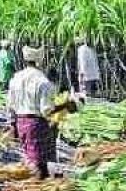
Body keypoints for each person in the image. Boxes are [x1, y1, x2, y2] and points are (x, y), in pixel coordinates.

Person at [7, 46, 76, 179]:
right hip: (36, 124)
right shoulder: (43, 81)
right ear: (40, 61)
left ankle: (39, 181)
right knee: (39, 161)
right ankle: (38, 184)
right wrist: (65, 105)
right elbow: (46, 110)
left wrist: (12, 123)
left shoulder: (16, 78)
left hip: (21, 122)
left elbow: (10, 104)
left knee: (30, 156)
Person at [75, 36, 101, 102]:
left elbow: (82, 61)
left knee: (84, 89)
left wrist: (82, 72)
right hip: (92, 74)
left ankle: (85, 102)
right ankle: (89, 101)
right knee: (88, 89)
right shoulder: (91, 49)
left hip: (86, 73)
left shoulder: (81, 49)